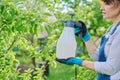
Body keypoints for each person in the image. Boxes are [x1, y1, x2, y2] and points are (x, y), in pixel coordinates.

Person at [56, 0, 120, 80]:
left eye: (107, 4)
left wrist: (79, 62)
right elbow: (99, 58)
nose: (101, 8)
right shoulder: (112, 28)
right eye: (102, 4)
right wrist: (86, 37)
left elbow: (110, 68)